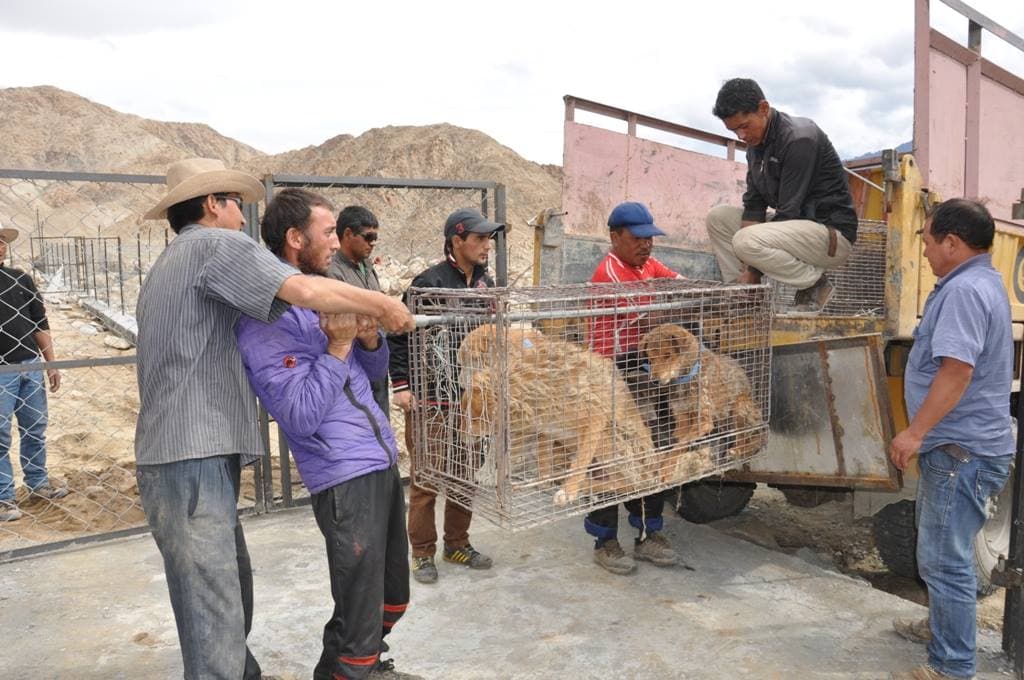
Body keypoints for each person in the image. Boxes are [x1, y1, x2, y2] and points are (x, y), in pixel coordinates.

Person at [136, 158, 413, 680]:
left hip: (194, 450)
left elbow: (353, 358)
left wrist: (363, 335)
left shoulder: (184, 259)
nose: (243, 216)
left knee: (227, 594)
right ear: (213, 203)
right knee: (214, 609)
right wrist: (379, 305)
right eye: (235, 202)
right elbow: (305, 296)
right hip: (190, 449)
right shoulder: (214, 245)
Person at [235, 189, 414, 680]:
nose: (337, 242)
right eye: (329, 232)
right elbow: (299, 413)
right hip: (341, 475)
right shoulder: (265, 320)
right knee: (359, 607)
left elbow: (371, 373)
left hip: (378, 459)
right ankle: (359, 669)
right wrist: (337, 345)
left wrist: (369, 338)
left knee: (389, 595)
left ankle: (350, 668)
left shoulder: (326, 294)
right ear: (295, 239)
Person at [888, 199, 1014, 680]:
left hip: (961, 451)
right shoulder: (980, 280)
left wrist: (915, 431)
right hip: (965, 446)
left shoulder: (964, 292)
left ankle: (952, 666)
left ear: (952, 243)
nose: (922, 248)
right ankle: (944, 629)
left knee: (945, 561)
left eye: (926, 239)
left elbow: (957, 372)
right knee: (942, 551)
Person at [389, 207, 499, 584]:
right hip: (432, 399)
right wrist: (402, 386)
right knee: (427, 480)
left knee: (466, 475)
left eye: (490, 239)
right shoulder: (427, 283)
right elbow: (398, 336)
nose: (487, 245)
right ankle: (421, 553)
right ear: (457, 240)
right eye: (480, 238)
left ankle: (457, 544)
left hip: (474, 400)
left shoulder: (486, 285)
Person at [585, 201, 683, 575]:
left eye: (650, 238)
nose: (647, 245)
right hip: (612, 371)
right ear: (615, 236)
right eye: (638, 238)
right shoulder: (610, 274)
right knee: (610, 458)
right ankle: (605, 541)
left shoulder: (645, 266)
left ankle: (647, 535)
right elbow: (656, 315)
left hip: (643, 368)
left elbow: (677, 284)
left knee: (651, 450)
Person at [706, 77, 858, 312]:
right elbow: (754, 206)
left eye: (744, 126)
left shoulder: (799, 138)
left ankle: (816, 285)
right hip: (796, 230)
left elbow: (789, 213)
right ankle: (745, 298)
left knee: (745, 241)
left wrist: (753, 268)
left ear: (764, 109)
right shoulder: (755, 147)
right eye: (734, 130)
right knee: (718, 218)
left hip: (830, 236)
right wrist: (749, 272)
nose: (741, 136)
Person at [0, 225, 66, 522]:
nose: (1, 245)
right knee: (0, 435)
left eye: (2, 240)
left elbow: (39, 321)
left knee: (35, 428)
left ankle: (38, 485)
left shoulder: (20, 279)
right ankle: (4, 497)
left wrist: (50, 362)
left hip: (30, 365)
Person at [326, 205, 389, 414]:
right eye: (367, 237)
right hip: (352, 363)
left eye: (375, 238)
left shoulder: (366, 265)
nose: (373, 243)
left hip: (375, 356)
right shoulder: (332, 271)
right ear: (347, 234)